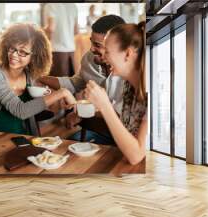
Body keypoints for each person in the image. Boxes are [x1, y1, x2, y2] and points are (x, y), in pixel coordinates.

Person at [37, 15, 126, 145]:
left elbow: (124, 116)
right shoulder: (90, 59)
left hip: (125, 137)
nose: (91, 49)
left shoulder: (131, 73)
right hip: (99, 132)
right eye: (92, 42)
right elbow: (74, 83)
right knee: (68, 147)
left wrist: (81, 113)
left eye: (97, 45)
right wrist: (40, 78)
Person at [0, 23, 76, 136]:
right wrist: (62, 93)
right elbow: (21, 111)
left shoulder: (29, 75)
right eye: (12, 48)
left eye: (22, 52)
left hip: (23, 137)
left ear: (34, 56)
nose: (14, 55)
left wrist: (50, 98)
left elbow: (39, 108)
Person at [84, 22, 147, 165]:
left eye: (107, 52)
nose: (104, 58)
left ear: (128, 54)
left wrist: (104, 105)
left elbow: (136, 155)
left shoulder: (155, 91)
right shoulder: (128, 86)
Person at [43, 3, 79, 77]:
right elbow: (76, 31)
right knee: (69, 84)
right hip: (71, 51)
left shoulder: (50, 5)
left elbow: (51, 28)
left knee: (56, 85)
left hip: (56, 51)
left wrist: (39, 31)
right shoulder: (73, 6)